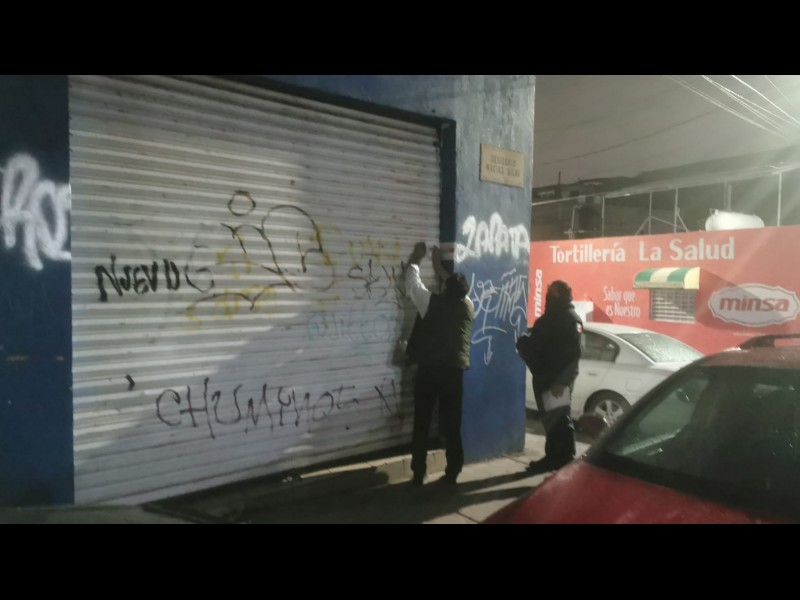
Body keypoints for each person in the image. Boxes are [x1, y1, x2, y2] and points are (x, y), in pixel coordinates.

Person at [404, 241, 475, 487]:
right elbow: (455, 288)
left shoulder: (431, 303)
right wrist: (438, 267)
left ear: (445, 289)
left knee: (422, 422)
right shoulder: (468, 307)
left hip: (430, 371)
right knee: (452, 423)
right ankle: (453, 470)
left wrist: (416, 258)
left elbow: (413, 284)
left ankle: (418, 472)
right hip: (454, 373)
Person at [516, 280, 583, 474]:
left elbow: (573, 355)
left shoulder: (568, 319)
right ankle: (555, 457)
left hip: (555, 382)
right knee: (552, 421)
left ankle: (562, 458)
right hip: (546, 378)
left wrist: (562, 383)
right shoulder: (552, 318)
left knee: (559, 421)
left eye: (551, 294)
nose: (547, 297)